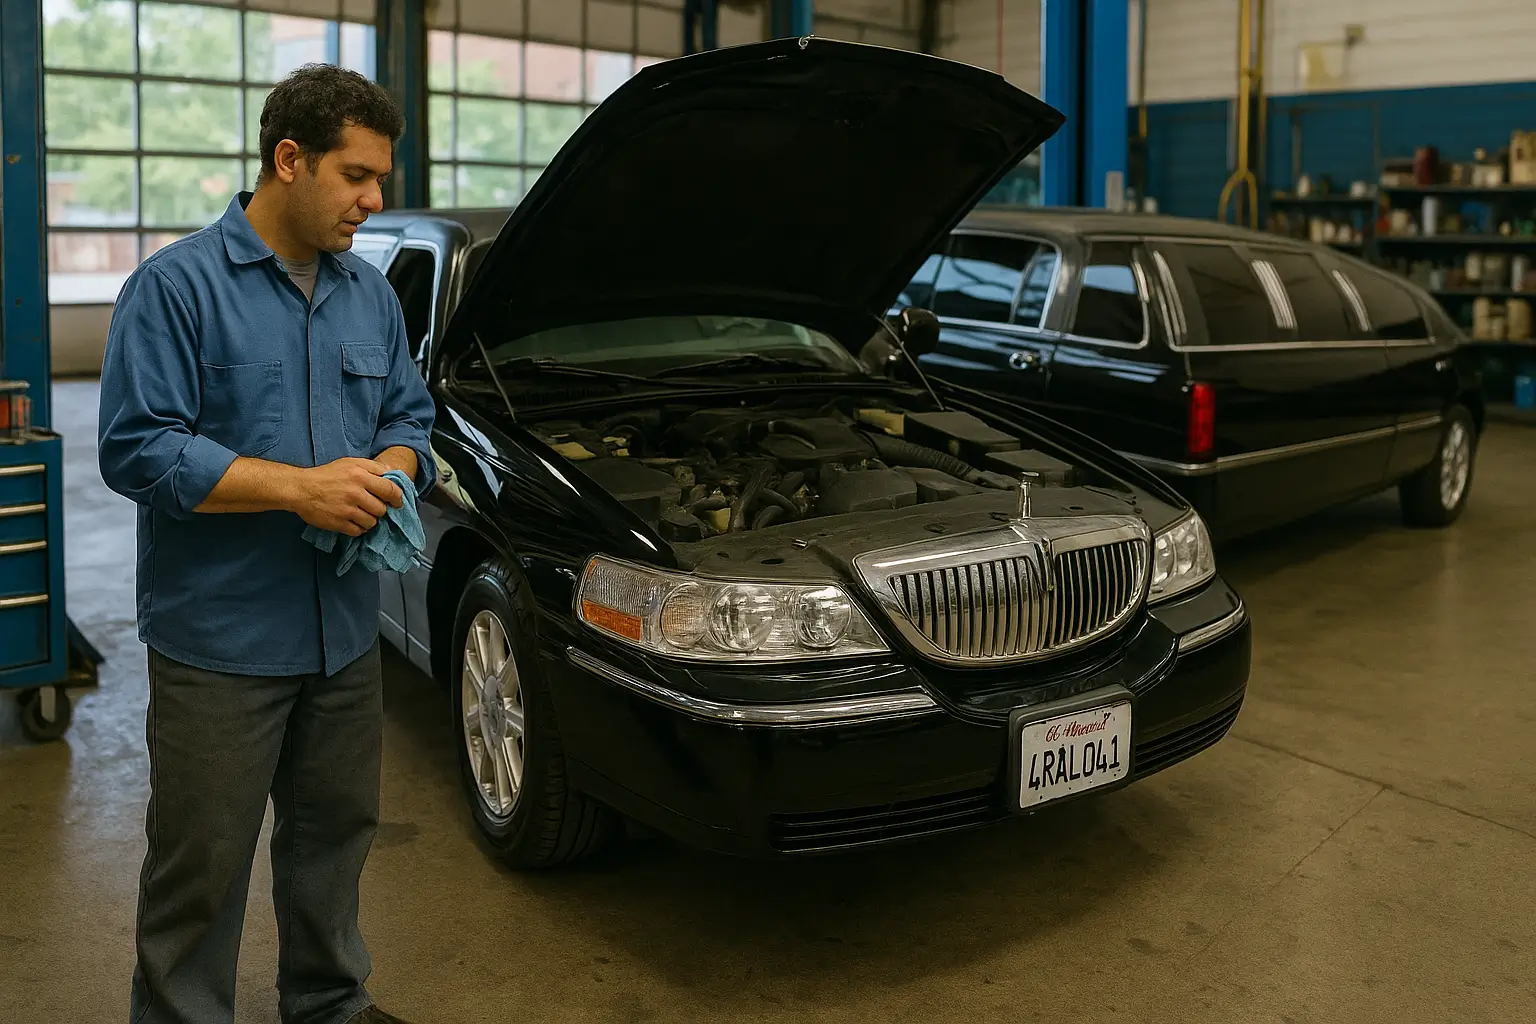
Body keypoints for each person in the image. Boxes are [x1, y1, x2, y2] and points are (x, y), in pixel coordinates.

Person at [98, 63, 435, 1024]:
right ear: (289, 161)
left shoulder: (369, 298)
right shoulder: (174, 289)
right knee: (200, 859)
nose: (374, 201)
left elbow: (410, 414)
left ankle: (330, 1003)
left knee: (335, 838)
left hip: (340, 632)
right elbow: (136, 447)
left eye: (380, 179)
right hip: (221, 639)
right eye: (357, 176)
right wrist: (300, 489)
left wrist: (395, 474)